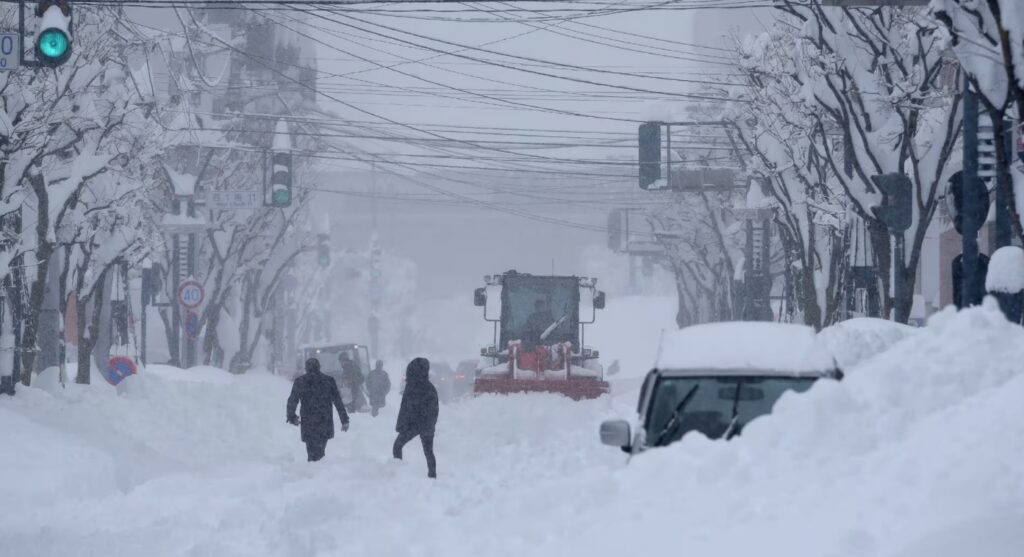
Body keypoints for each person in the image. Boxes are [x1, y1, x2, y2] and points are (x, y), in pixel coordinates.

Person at [287, 358, 350, 462]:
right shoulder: (328, 381)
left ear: (306, 368)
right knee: (321, 448)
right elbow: (338, 402)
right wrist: (344, 420)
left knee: (311, 448)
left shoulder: (300, 381)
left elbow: (292, 400)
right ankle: (318, 467)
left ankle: (314, 466)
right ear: (319, 367)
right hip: (324, 420)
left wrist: (292, 417)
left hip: (308, 421)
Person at [393, 357, 439, 479]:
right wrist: (429, 426)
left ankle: (398, 474)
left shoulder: (413, 387)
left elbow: (406, 409)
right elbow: (434, 411)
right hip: (424, 426)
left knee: (397, 446)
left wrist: (404, 425)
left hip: (413, 425)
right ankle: (432, 477)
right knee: (428, 451)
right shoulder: (429, 388)